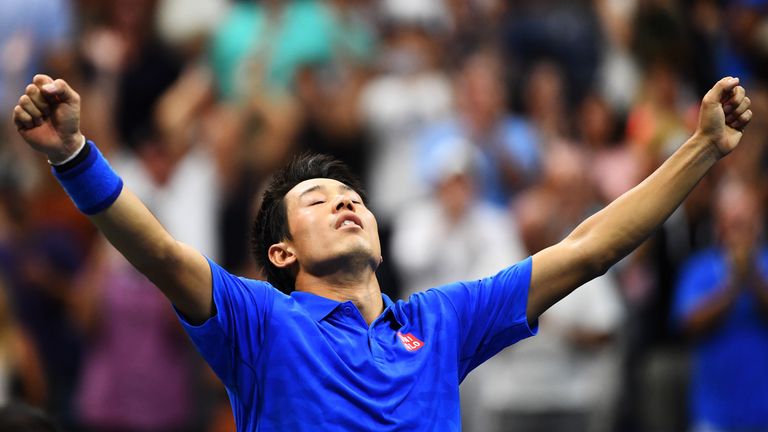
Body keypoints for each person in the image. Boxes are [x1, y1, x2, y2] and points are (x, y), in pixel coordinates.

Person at [11, 73, 752, 430]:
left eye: (352, 196)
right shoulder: (262, 324)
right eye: (317, 200)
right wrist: (75, 155)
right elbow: (166, 256)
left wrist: (701, 149)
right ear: (279, 254)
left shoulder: (443, 322)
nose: (346, 202)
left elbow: (587, 250)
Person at [672, 178, 768, 432]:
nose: (742, 232)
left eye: (747, 222)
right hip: (714, 414)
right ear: (720, 224)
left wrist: (753, 277)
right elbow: (689, 324)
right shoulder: (700, 267)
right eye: (735, 223)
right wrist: (734, 286)